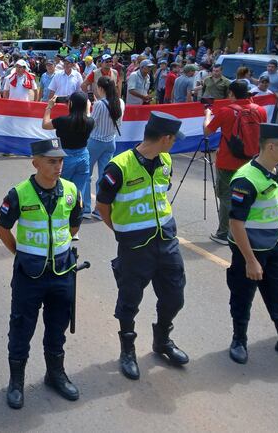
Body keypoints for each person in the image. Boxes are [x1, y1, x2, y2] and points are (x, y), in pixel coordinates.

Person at [96, 112, 190, 381]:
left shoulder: (166, 160)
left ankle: (162, 340)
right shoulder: (119, 166)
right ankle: (127, 350)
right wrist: (120, 229)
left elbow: (162, 192)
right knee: (129, 301)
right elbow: (103, 204)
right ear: (165, 138)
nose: (174, 144)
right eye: (173, 139)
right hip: (134, 247)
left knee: (175, 296)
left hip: (167, 240)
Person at [0, 137, 84, 409]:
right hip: (29, 275)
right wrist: (23, 255)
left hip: (62, 273)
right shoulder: (18, 194)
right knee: (21, 328)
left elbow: (73, 226)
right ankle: (16, 382)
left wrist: (55, 252)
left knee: (57, 327)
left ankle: (55, 374)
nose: (58, 166)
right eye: (51, 161)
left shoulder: (71, 191)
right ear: (35, 162)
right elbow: (2, 230)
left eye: (60, 161)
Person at [226, 123, 278, 363]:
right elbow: (235, 223)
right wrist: (251, 261)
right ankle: (239, 340)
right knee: (243, 295)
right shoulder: (246, 180)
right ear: (272, 147)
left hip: (274, 245)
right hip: (250, 250)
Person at [204, 81, 267, 243]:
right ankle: (245, 231)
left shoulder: (226, 111)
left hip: (227, 161)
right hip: (252, 161)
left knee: (226, 196)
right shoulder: (260, 110)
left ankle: (224, 233)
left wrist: (208, 114)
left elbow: (207, 131)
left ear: (231, 93)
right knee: (248, 196)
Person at [43, 92, 94, 213]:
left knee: (61, 188)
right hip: (83, 157)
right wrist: (87, 105)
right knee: (78, 191)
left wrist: (49, 107)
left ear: (70, 104)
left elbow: (45, 124)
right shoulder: (90, 122)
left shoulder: (62, 121)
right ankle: (76, 215)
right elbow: (87, 114)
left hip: (66, 157)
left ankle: (60, 213)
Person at [86, 76, 124, 218]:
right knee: (105, 177)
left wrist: (88, 111)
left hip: (95, 141)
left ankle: (86, 208)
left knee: (86, 175)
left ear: (101, 88)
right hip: (110, 141)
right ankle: (101, 209)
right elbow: (119, 123)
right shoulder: (120, 102)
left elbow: (91, 123)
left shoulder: (100, 104)